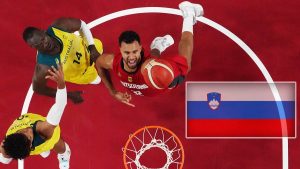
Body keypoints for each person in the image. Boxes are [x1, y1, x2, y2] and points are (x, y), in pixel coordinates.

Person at [95, 1, 203, 106]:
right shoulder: (111, 62)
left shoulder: (154, 69)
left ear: (141, 49)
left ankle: (189, 15)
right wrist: (113, 92)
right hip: (149, 73)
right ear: (120, 50)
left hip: (158, 80)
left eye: (135, 51)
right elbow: (98, 64)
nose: (131, 57)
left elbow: (155, 66)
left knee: (186, 66)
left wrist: (168, 78)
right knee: (152, 59)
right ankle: (157, 46)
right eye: (127, 52)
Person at [0, 63, 71, 169]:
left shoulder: (6, 147)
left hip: (30, 147)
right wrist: (61, 84)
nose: (27, 129)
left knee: (3, 160)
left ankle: (44, 151)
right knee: (59, 146)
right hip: (45, 141)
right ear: (29, 145)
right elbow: (60, 105)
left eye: (21, 131)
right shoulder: (44, 130)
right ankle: (64, 156)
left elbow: (6, 151)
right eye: (28, 135)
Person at [23, 17, 103, 104]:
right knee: (97, 80)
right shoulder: (44, 66)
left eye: (43, 39)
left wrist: (92, 47)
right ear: (34, 47)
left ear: (43, 31)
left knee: (100, 48)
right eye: (39, 45)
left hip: (89, 50)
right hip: (83, 73)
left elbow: (82, 25)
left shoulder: (59, 27)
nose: (45, 44)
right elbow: (38, 89)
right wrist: (68, 95)